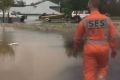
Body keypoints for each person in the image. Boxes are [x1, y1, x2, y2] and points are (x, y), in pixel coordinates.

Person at [73, 0, 118, 80]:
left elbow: (77, 38)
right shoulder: (107, 20)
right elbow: (113, 36)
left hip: (89, 49)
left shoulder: (85, 20)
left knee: (89, 72)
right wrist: (114, 49)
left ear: (89, 5)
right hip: (104, 49)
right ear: (98, 6)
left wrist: (76, 49)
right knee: (102, 68)